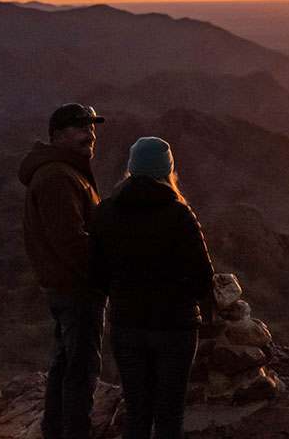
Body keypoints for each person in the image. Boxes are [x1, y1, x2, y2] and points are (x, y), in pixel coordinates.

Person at [89, 137, 214, 439]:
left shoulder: (105, 212)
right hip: (175, 328)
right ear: (167, 171)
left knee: (138, 414)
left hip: (126, 327)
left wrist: (122, 295)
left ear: (131, 169)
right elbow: (202, 278)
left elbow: (96, 274)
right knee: (169, 415)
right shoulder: (179, 215)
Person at [18, 103, 107, 439]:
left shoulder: (67, 171)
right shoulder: (57, 176)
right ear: (57, 136)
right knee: (81, 371)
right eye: (81, 128)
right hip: (77, 289)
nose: (91, 134)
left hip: (68, 287)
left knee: (66, 365)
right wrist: (103, 277)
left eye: (92, 127)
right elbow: (72, 242)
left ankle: (54, 430)